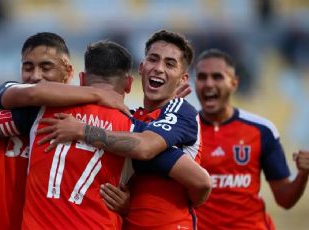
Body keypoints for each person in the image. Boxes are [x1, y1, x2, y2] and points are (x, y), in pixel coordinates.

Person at [36, 30, 211, 229]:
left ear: (182, 78)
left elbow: (199, 182)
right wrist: (130, 206)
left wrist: (82, 130)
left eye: (170, 64)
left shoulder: (181, 111)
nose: (159, 68)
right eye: (153, 60)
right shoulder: (130, 118)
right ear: (142, 68)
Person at [0, 32, 76, 230]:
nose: (35, 76)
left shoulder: (78, 124)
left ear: (68, 71)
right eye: (28, 67)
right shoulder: (10, 104)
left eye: (46, 67)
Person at [193, 48, 309, 230]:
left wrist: (303, 175)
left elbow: (284, 199)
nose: (208, 83)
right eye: (202, 77)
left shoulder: (261, 130)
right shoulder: (184, 131)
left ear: (234, 83)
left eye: (217, 77)